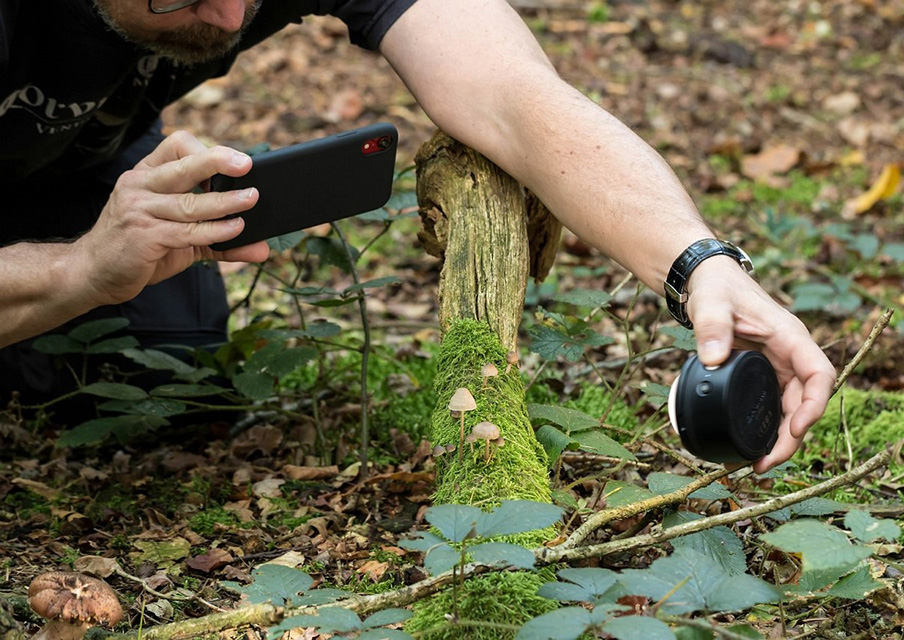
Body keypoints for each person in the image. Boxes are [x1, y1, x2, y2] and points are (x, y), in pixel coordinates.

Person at [0, 0, 835, 472]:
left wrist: (700, 265)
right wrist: (81, 270)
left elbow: (512, 95)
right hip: (68, 217)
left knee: (163, 367)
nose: (227, 14)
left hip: (83, 166)